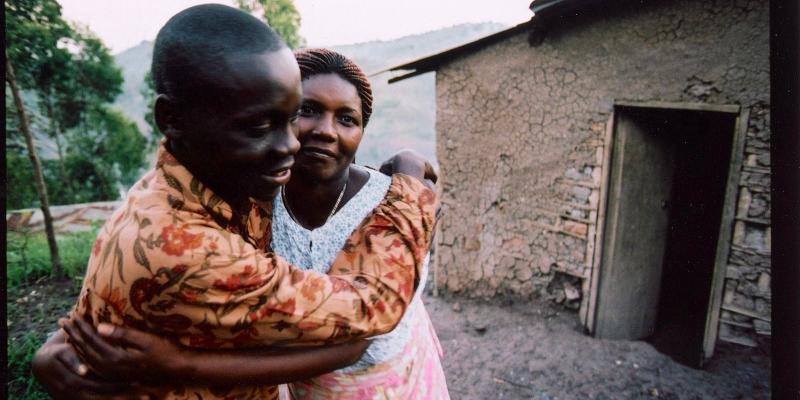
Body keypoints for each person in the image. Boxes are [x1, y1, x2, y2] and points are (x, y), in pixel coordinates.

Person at [32, 5, 438, 399]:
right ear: (171, 119)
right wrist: (408, 179)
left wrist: (58, 342)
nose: (292, 144)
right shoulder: (199, 238)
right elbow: (371, 308)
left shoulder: (214, 186)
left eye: (288, 117)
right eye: (264, 124)